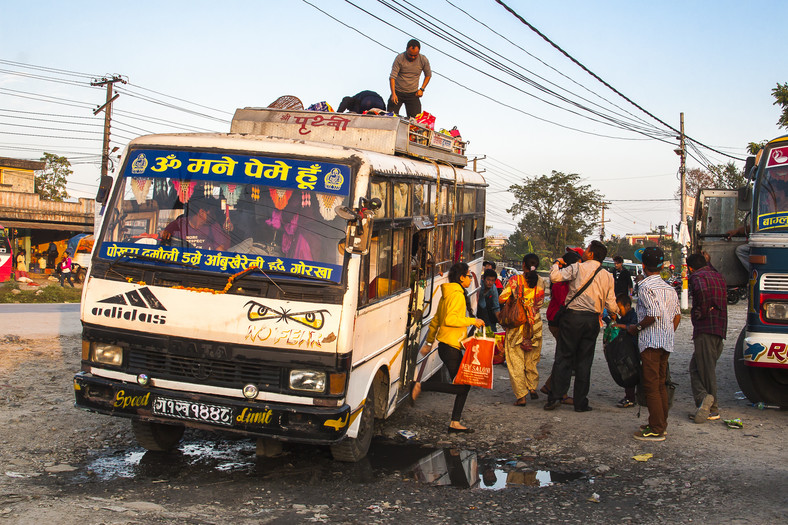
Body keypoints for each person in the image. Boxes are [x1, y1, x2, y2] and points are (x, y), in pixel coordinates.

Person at [411, 262, 485, 433]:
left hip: (446, 346)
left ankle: (455, 422)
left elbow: (436, 320)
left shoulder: (447, 294)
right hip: (451, 347)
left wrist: (429, 343)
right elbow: (450, 320)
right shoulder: (457, 295)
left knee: (463, 386)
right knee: (462, 386)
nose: (469, 279)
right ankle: (421, 387)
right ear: (461, 277)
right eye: (468, 276)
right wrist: (473, 321)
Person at [546, 240, 618, 412]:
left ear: (591, 254)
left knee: (563, 358)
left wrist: (556, 263)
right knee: (585, 362)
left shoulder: (578, 268)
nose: (584, 252)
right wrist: (615, 314)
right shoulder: (607, 276)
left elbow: (555, 277)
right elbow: (611, 304)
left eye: (586, 249)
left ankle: (554, 397)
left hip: (572, 318)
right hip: (592, 321)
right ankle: (580, 402)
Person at [628, 247, 681, 442]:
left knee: (651, 386)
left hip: (650, 342)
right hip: (665, 342)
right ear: (661, 266)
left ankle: (656, 428)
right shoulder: (669, 288)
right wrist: (668, 332)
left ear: (643, 266)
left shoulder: (645, 287)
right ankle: (660, 423)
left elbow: (653, 313)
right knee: (660, 385)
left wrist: (637, 328)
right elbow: (676, 316)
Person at [686, 252, 728, 423]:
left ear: (690, 268)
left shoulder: (696, 277)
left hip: (705, 329)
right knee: (697, 367)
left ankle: (712, 407)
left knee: (705, 370)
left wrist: (700, 314)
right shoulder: (718, 276)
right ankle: (703, 400)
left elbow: (703, 293)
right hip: (720, 328)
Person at [499, 253, 545, 405]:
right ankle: (532, 387)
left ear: (523, 265)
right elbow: (539, 303)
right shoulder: (541, 281)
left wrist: (515, 299)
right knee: (531, 359)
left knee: (515, 360)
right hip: (535, 325)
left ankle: (521, 396)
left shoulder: (515, 280)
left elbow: (502, 298)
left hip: (517, 325)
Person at [539, 247, 583, 402]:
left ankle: (551, 386)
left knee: (565, 357)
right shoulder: (561, 283)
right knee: (566, 358)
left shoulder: (561, 281)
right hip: (558, 321)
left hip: (557, 320)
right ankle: (556, 390)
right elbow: (565, 302)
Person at [161, 199, 230, 251]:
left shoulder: (213, 226)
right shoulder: (178, 224)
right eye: (211, 214)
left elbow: (220, 252)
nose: (213, 217)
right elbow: (163, 243)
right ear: (201, 212)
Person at [387, 39, 431, 117]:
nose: (413, 57)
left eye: (415, 55)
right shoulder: (400, 58)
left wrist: (422, 89)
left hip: (413, 94)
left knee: (415, 121)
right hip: (398, 93)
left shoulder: (423, 60)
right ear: (406, 49)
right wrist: (393, 93)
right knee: (390, 117)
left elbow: (428, 75)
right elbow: (392, 77)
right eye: (410, 55)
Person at [610, 293, 638, 408]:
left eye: (620, 308)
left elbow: (632, 327)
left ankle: (631, 398)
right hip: (627, 349)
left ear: (627, 306)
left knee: (630, 373)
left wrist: (620, 325)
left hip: (633, 349)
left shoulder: (633, 316)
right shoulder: (625, 316)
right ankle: (630, 396)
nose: (619, 311)